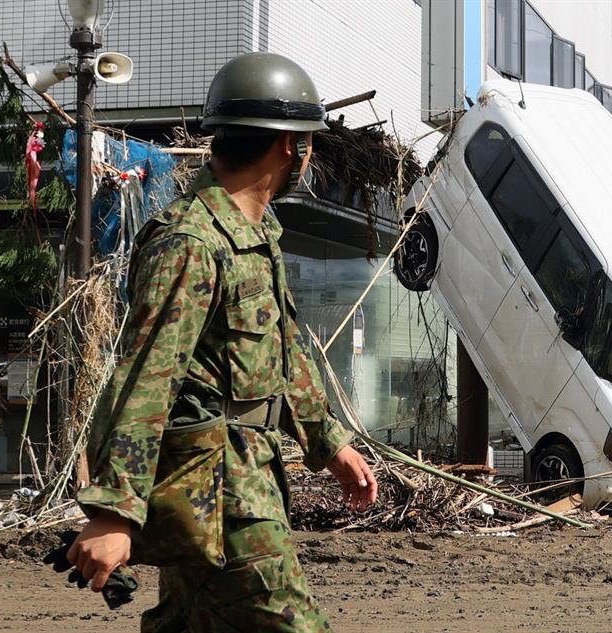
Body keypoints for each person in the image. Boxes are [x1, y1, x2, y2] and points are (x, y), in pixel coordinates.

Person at [65, 52, 378, 632]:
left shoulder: (255, 237)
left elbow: (284, 354)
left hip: (235, 481)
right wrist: (115, 511)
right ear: (291, 147)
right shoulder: (191, 241)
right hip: (222, 490)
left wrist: (328, 442)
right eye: (307, 139)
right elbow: (144, 379)